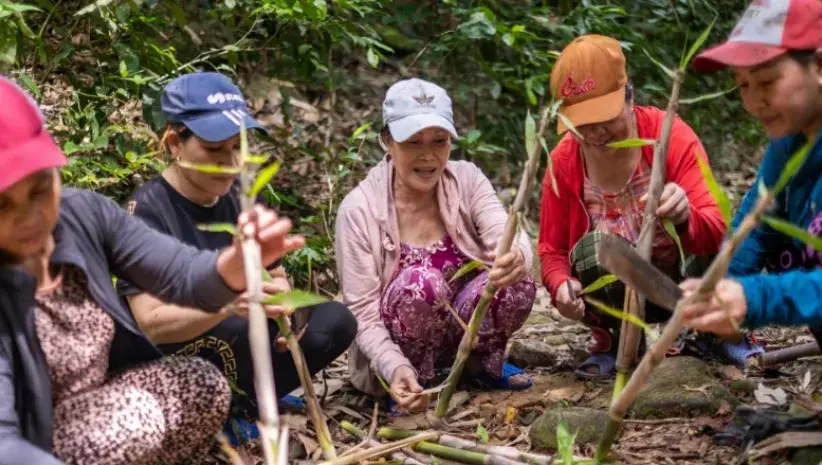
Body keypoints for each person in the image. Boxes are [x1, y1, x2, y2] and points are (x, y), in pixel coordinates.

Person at [0, 75, 303, 464]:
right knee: (135, 417)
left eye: (41, 190)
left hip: (101, 397)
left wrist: (235, 266)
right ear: (175, 144)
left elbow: (179, 272)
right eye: (3, 205)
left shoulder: (82, 215)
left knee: (203, 385)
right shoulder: (151, 203)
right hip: (36, 436)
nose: (31, 218)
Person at [116, 72, 357, 435]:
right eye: (214, 150)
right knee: (236, 321)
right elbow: (150, 323)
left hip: (241, 334)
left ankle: (248, 404)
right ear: (175, 144)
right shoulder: (146, 211)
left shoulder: (241, 193)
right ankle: (216, 414)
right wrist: (228, 304)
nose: (231, 162)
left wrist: (286, 309)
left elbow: (276, 275)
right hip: (170, 361)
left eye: (238, 146)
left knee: (334, 320)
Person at [537, 34, 761, 379]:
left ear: (629, 97)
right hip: (622, 295)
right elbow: (552, 250)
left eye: (604, 118)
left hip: (683, 282)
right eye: (582, 124)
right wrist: (560, 285)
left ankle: (718, 332)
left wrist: (684, 217)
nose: (595, 133)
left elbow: (717, 228)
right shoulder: (564, 161)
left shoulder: (668, 136)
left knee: (721, 232)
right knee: (593, 249)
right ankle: (616, 339)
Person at [336, 78, 537, 413]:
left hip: (464, 336)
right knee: (421, 283)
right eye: (413, 142)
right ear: (387, 141)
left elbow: (503, 230)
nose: (428, 155)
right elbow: (362, 311)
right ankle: (411, 382)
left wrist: (516, 254)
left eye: (439, 141)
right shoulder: (359, 210)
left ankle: (479, 365)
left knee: (516, 281)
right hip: (397, 359)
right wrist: (392, 366)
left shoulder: (467, 179)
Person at [680, 0, 822, 341]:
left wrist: (754, 298)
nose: (753, 102)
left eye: (766, 82)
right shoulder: (789, 145)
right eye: (743, 84)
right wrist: (720, 288)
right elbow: (754, 226)